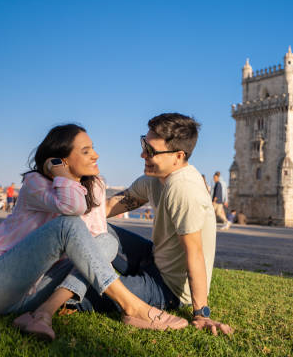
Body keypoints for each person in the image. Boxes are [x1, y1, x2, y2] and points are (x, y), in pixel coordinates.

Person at [0, 124, 187, 341]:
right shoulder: (36, 183)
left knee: (107, 241)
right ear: (62, 159)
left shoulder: (94, 186)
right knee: (68, 225)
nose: (96, 155)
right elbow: (72, 209)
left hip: (29, 296)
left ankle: (44, 313)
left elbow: (98, 240)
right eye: (86, 151)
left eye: (93, 148)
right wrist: (62, 175)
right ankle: (132, 307)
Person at [83, 113, 233, 335]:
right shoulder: (154, 179)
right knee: (94, 228)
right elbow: (106, 209)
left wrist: (201, 313)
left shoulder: (184, 189)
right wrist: (68, 224)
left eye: (151, 151)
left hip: (168, 288)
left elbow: (195, 252)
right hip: (152, 256)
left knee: (88, 296)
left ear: (178, 156)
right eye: (144, 143)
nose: (142, 153)